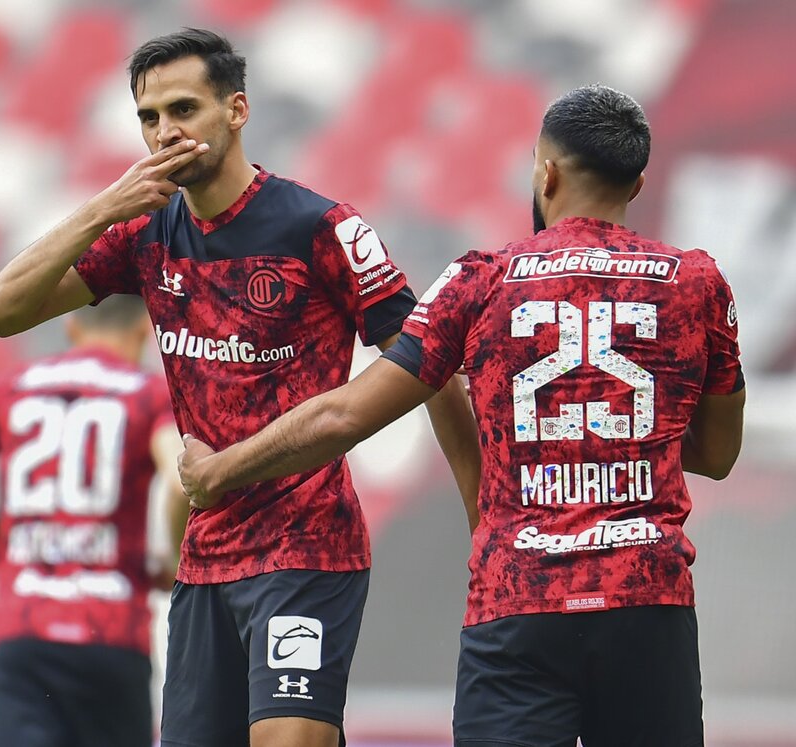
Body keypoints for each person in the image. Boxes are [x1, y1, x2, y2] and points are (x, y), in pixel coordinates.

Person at [179, 84, 746, 747]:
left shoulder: (481, 279)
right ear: (638, 181)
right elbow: (716, 454)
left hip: (519, 603)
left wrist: (221, 468)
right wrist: (608, 432)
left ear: (546, 171)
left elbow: (345, 416)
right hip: (648, 602)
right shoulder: (696, 282)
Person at [0, 27, 481, 747]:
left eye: (183, 109)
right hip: (207, 553)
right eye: (148, 118)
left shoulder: (320, 227)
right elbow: (0, 311)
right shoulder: (145, 233)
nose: (164, 133)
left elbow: (431, 364)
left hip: (307, 547)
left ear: (236, 110)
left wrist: (479, 513)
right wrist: (101, 208)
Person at [0, 294, 187, 747]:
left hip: (21, 631)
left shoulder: (9, 387)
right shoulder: (148, 392)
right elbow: (181, 481)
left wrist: (11, 530)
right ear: (144, 330)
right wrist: (175, 562)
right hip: (111, 630)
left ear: (73, 329)